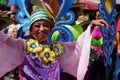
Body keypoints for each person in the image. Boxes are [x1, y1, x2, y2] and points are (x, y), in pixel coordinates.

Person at [0, 9, 108, 80]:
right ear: (31, 30)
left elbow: (78, 47)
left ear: (51, 29)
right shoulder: (21, 46)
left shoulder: (58, 48)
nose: (42, 29)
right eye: (37, 25)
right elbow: (3, 41)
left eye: (46, 25)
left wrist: (91, 25)